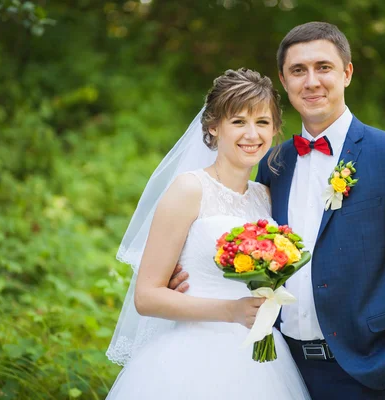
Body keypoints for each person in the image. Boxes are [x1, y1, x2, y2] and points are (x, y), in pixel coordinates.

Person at [171, 22, 385, 399]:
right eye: (298, 71)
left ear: (347, 73)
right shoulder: (273, 164)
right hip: (279, 366)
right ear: (284, 82)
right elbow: (256, 249)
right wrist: (191, 275)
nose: (312, 81)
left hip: (367, 373)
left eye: (323, 67)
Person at [105, 68, 311, 399]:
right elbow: (146, 296)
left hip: (262, 362)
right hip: (193, 359)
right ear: (214, 127)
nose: (252, 133)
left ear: (274, 131)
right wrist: (230, 311)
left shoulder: (266, 197)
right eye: (238, 121)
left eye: (262, 122)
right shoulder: (189, 189)